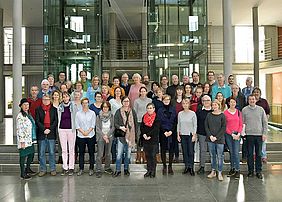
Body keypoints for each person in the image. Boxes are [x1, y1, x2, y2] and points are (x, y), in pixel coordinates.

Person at [242, 95, 268, 179]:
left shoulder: (261, 110)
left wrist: (264, 133)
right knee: (249, 154)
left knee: (259, 154)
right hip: (249, 135)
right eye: (250, 99)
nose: (251, 101)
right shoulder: (244, 110)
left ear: (255, 100)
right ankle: (250, 171)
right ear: (248, 100)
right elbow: (242, 123)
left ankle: (258, 171)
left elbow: (265, 122)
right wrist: (243, 134)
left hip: (259, 135)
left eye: (253, 99)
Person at [113, 96, 137, 177]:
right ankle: (118, 170)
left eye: (127, 101)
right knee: (119, 154)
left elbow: (136, 124)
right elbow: (115, 123)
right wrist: (120, 127)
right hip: (120, 135)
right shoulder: (118, 111)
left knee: (128, 154)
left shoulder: (133, 111)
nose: (126, 103)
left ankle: (126, 169)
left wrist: (136, 136)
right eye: (124, 101)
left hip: (130, 135)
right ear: (122, 102)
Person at [35, 94, 58, 177]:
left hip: (51, 134)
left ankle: (53, 169)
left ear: (50, 100)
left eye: (47, 99)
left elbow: (55, 121)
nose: (46, 101)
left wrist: (49, 129)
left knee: (52, 152)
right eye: (44, 99)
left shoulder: (54, 109)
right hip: (42, 134)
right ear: (42, 100)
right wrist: (44, 129)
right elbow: (37, 121)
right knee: (41, 153)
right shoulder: (38, 109)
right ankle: (43, 169)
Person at [205, 99, 226, 181]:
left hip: (219, 139)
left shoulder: (222, 115)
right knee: (212, 155)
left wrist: (216, 137)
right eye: (213, 105)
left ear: (219, 105)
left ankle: (219, 172)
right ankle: (213, 171)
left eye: (215, 105)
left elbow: (223, 128)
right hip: (210, 139)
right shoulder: (209, 115)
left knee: (220, 156)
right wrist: (210, 136)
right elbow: (206, 126)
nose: (214, 106)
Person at [75, 98, 97, 176]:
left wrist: (87, 132)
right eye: (83, 103)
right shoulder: (78, 114)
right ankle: (81, 168)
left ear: (88, 103)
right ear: (81, 104)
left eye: (86, 103)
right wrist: (83, 132)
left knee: (91, 153)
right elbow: (77, 125)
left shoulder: (92, 113)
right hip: (81, 136)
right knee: (81, 153)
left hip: (90, 135)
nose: (85, 104)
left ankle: (91, 168)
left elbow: (93, 124)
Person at [16, 98, 37, 180]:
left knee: (31, 154)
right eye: (24, 105)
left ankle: (28, 168)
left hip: (30, 139)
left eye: (27, 105)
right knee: (23, 156)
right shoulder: (20, 116)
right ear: (21, 106)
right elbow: (19, 129)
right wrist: (22, 141)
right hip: (24, 140)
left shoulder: (28, 114)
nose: (26, 106)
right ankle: (22, 173)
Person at [157, 94, 177, 175]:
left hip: (172, 132)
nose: (166, 101)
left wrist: (171, 131)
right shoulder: (159, 110)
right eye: (165, 99)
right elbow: (159, 122)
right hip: (163, 133)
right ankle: (164, 166)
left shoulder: (173, 109)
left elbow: (175, 122)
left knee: (171, 150)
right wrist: (164, 131)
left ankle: (170, 166)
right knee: (163, 150)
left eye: (168, 99)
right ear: (162, 100)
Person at [57, 92, 76, 176]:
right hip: (62, 130)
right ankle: (65, 167)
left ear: (69, 97)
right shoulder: (59, 107)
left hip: (71, 130)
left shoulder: (73, 106)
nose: (65, 98)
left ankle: (71, 167)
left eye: (66, 96)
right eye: (63, 97)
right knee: (64, 150)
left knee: (71, 150)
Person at [177, 98, 197, 176]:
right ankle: (186, 167)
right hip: (182, 134)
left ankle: (191, 167)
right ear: (182, 105)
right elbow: (178, 124)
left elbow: (195, 125)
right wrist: (178, 134)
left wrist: (194, 135)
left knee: (191, 152)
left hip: (190, 135)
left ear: (189, 104)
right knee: (185, 151)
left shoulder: (193, 114)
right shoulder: (180, 114)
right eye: (184, 103)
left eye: (186, 103)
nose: (185, 105)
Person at [224, 97, 243, 179]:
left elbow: (241, 124)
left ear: (236, 103)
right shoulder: (225, 113)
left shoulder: (239, 112)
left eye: (234, 102)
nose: (232, 103)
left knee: (236, 152)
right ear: (228, 103)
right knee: (231, 152)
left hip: (237, 135)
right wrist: (231, 134)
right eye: (231, 102)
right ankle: (232, 168)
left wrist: (238, 133)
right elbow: (225, 126)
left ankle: (238, 170)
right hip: (229, 135)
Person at [95, 102, 115, 178]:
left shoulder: (112, 116)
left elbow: (113, 127)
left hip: (109, 136)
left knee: (108, 153)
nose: (105, 108)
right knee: (100, 154)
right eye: (104, 107)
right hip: (100, 137)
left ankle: (107, 167)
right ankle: (98, 169)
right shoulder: (98, 116)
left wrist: (107, 135)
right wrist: (104, 136)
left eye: (107, 107)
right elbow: (97, 128)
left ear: (109, 108)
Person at [140, 103, 160, 178]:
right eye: (148, 108)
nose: (149, 109)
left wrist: (148, 135)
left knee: (152, 155)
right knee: (147, 155)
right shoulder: (144, 117)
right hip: (145, 139)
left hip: (153, 139)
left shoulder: (157, 117)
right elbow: (142, 126)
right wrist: (144, 134)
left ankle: (153, 171)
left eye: (151, 108)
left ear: (154, 109)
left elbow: (156, 129)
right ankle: (148, 170)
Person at [133, 87, 152, 164]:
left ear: (146, 92)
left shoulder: (150, 100)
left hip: (148, 122)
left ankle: (145, 156)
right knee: (139, 138)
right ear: (140, 92)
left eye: (144, 91)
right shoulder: (136, 101)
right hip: (139, 122)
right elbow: (134, 112)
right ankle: (138, 156)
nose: (143, 92)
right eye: (141, 91)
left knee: (146, 139)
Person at [252, 87, 270, 163]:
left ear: (260, 94)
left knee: (262, 141)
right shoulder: (250, 101)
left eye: (257, 92)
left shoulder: (264, 102)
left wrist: (265, 121)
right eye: (255, 92)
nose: (256, 93)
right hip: (253, 125)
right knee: (253, 142)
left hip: (262, 125)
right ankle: (254, 155)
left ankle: (263, 156)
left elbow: (268, 112)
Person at [196, 95, 212, 174]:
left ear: (211, 101)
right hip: (202, 134)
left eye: (208, 100)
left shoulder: (214, 111)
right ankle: (202, 167)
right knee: (202, 150)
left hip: (212, 135)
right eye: (204, 100)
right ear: (202, 102)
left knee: (213, 151)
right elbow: (197, 123)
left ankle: (214, 169)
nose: (206, 102)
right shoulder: (199, 112)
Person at [109, 87, 123, 163]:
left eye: (119, 91)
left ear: (121, 92)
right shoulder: (111, 101)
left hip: (120, 123)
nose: (118, 92)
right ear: (114, 92)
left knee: (121, 141)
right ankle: (114, 157)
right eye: (116, 91)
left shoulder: (123, 101)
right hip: (113, 123)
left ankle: (121, 158)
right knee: (113, 142)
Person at [171, 86, 184, 163]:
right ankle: (176, 156)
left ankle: (184, 156)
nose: (179, 91)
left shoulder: (185, 100)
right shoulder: (173, 101)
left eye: (180, 90)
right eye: (178, 90)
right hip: (174, 122)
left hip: (184, 122)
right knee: (174, 140)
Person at [51, 90, 63, 164]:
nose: (55, 96)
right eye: (54, 95)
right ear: (52, 96)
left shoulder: (61, 105)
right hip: (52, 125)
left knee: (60, 142)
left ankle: (60, 156)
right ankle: (52, 157)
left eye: (57, 95)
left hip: (60, 125)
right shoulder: (50, 105)